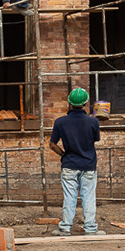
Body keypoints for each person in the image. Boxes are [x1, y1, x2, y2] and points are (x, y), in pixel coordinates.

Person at [47, 87, 101, 235]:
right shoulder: (93, 122)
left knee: (69, 197)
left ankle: (65, 228)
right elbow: (95, 139)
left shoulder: (60, 122)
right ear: (85, 103)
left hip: (69, 164)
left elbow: (52, 144)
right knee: (88, 197)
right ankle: (90, 228)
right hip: (88, 165)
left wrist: (64, 155)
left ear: (69, 102)